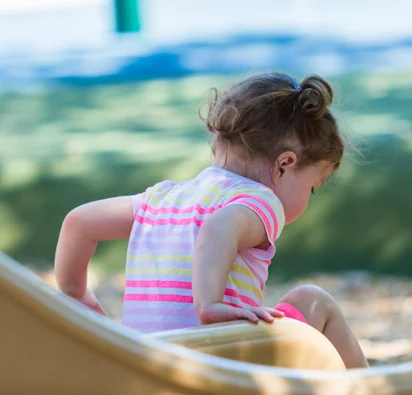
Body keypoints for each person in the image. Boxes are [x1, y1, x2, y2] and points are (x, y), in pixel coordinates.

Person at [54, 72, 368, 369]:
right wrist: (210, 304)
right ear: (284, 165)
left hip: (145, 367)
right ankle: (372, 387)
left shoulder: (162, 198)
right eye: (311, 187)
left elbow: (78, 223)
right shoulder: (261, 199)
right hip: (220, 363)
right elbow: (219, 227)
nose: (308, 198)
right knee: (313, 300)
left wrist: (75, 294)